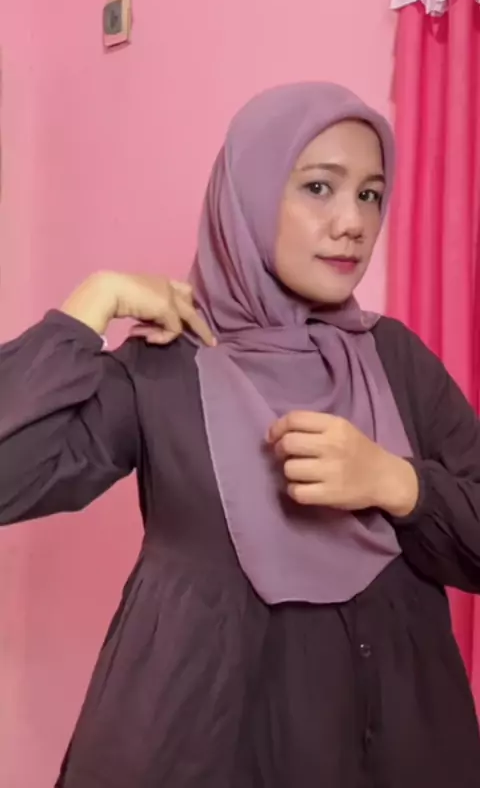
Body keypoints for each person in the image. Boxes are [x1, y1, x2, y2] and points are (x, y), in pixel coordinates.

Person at [1, 83, 480, 788]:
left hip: (395, 744)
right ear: (247, 194)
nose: (353, 222)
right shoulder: (164, 366)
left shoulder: (396, 359)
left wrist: (395, 482)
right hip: (201, 744)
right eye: (319, 187)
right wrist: (90, 304)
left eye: (371, 195)